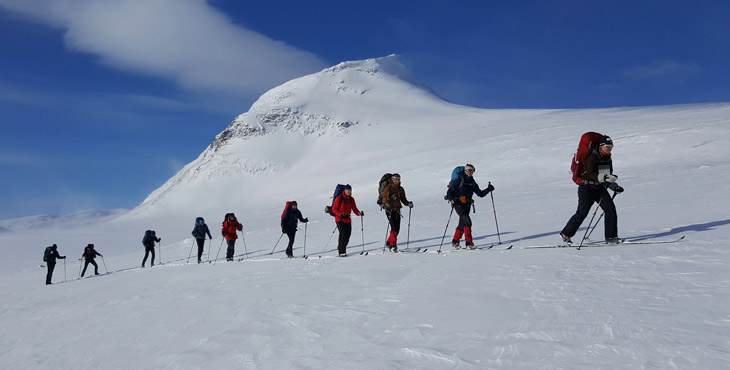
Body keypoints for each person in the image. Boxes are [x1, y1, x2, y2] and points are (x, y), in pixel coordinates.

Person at [561, 135, 623, 244]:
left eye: (611, 146)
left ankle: (611, 237)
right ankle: (566, 234)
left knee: (610, 211)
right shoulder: (592, 157)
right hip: (586, 188)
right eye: (607, 146)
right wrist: (604, 178)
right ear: (601, 146)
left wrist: (614, 186)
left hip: (599, 188)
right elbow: (589, 174)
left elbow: (606, 176)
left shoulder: (608, 158)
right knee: (582, 213)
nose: (609, 149)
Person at [444, 164, 494, 249]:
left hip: (467, 204)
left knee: (462, 223)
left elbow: (480, 194)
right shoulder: (458, 180)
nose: (470, 172)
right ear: (465, 170)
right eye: (468, 170)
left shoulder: (472, 182)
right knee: (467, 221)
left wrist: (488, 189)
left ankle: (455, 241)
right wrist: (452, 199)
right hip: (458, 204)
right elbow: (449, 193)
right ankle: (469, 243)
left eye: (472, 170)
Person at [381, 174, 413, 252]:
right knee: (394, 227)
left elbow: (403, 199)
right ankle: (393, 245)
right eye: (395, 179)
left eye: (398, 179)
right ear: (392, 180)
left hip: (397, 209)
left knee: (397, 229)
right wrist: (390, 199)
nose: (397, 181)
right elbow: (384, 199)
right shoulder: (388, 188)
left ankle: (389, 242)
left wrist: (408, 203)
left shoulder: (400, 189)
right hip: (389, 210)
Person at [331, 184, 362, 257]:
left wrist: (359, 213)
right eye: (348, 190)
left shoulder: (351, 199)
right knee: (343, 235)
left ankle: (341, 247)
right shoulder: (339, 198)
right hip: (340, 219)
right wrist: (340, 214)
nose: (349, 192)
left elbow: (354, 209)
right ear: (344, 191)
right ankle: (342, 252)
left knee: (348, 235)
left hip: (348, 219)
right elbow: (334, 209)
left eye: (350, 190)